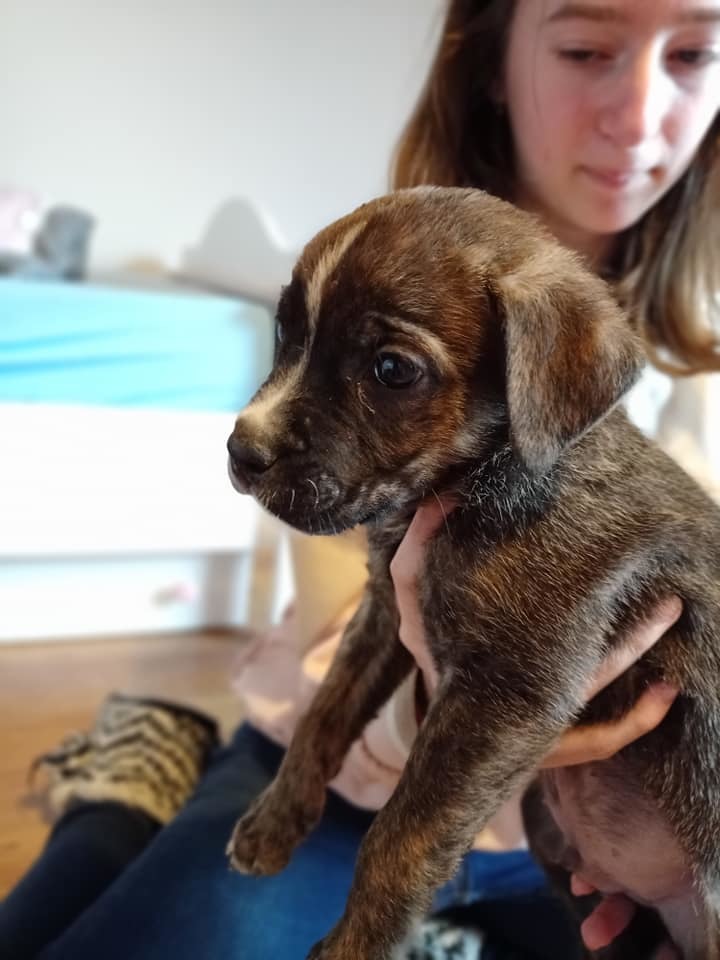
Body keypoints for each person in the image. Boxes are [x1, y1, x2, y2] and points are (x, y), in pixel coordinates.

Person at [1, 1, 718, 957]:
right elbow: (356, 624)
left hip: (580, 834)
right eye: (586, 49)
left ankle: (130, 798)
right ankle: (124, 796)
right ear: (491, 61)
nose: (637, 115)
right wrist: (425, 715)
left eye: (695, 53)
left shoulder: (660, 362)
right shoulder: (386, 249)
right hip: (357, 780)